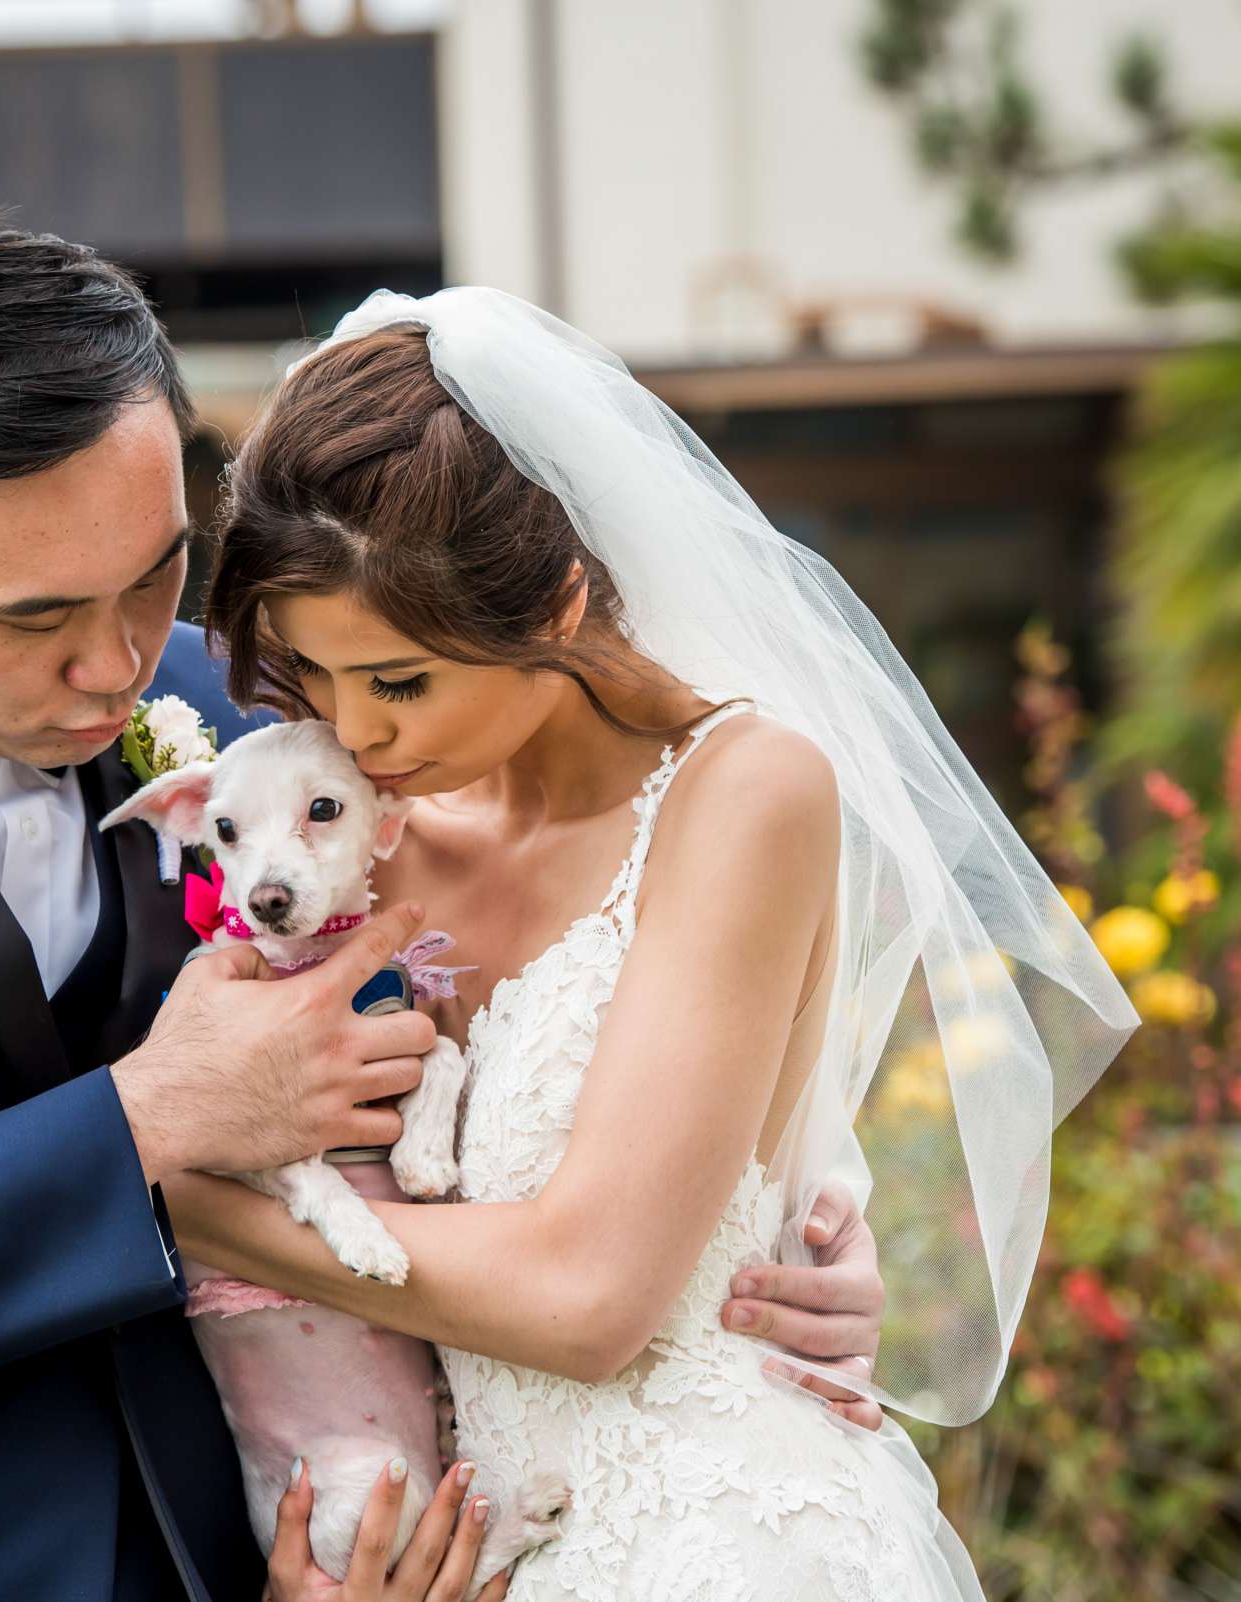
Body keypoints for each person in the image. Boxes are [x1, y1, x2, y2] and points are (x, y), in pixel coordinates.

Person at [0, 225, 891, 1602]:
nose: (117, 667)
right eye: (36, 618)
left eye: (155, 577)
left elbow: (490, 1049)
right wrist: (145, 1121)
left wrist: (750, 1249)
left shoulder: (254, 722)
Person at [170, 289, 1140, 1601]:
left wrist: (181, 1205)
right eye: (314, 674)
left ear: (557, 600)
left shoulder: (745, 793)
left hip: (718, 1540)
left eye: (401, 680)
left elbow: (588, 1296)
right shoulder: (349, 830)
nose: (359, 728)